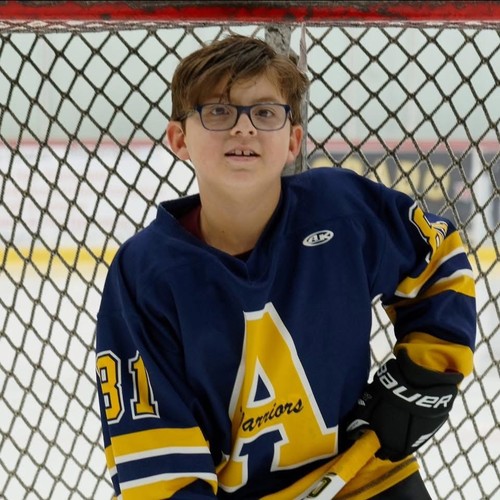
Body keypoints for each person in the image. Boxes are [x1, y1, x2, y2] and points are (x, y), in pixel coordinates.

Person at [95, 34, 476, 499]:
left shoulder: (341, 212)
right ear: (179, 138)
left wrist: (425, 375)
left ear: (293, 140)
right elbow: (157, 460)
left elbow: (438, 258)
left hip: (363, 480)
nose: (243, 128)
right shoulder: (146, 274)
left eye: (264, 113)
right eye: (218, 111)